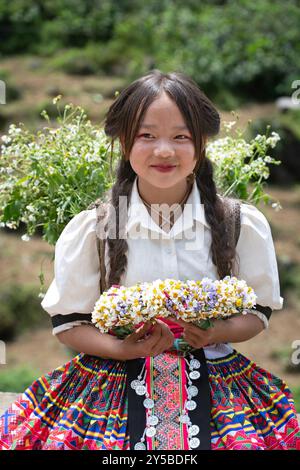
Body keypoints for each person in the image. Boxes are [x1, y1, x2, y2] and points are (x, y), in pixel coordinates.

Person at [0, 70, 299, 451]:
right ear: (124, 143)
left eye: (181, 136)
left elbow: (258, 312)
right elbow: (69, 323)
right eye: (146, 135)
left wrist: (214, 333)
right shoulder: (94, 227)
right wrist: (124, 349)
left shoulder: (238, 223)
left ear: (201, 144)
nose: (163, 151)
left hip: (218, 383)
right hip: (109, 388)